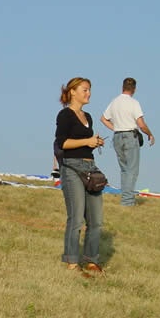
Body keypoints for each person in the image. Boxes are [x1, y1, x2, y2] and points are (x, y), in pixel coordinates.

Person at [55, 77, 105, 274]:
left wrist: (95, 142)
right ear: (73, 91)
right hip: (71, 168)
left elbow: (86, 141)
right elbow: (62, 143)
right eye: (84, 89)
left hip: (90, 167)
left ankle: (92, 260)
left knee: (96, 219)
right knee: (76, 217)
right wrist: (87, 141)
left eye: (89, 90)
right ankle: (72, 262)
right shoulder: (65, 115)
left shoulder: (88, 117)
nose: (88, 93)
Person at [100, 77, 155, 207]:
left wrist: (116, 128)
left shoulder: (114, 102)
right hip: (130, 136)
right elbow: (141, 124)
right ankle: (127, 201)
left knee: (124, 169)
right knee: (132, 170)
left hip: (117, 136)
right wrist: (150, 134)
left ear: (122, 87)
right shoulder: (133, 103)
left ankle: (125, 198)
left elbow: (103, 119)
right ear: (134, 89)